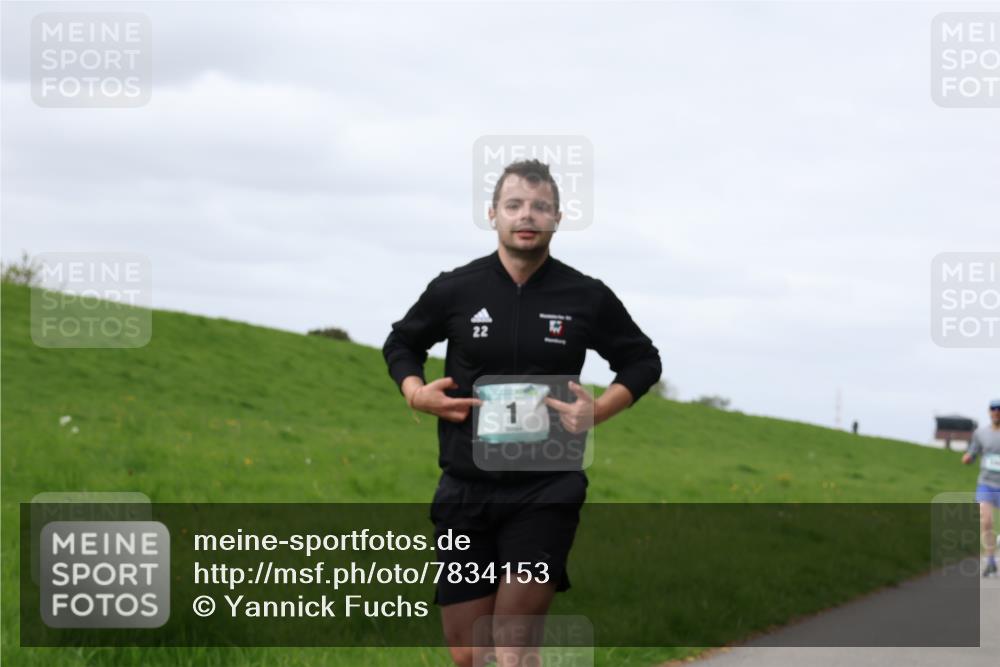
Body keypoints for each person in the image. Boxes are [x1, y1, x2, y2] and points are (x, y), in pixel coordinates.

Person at [382, 159, 662, 666]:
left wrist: (598, 410)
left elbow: (642, 359)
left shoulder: (585, 296)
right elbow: (402, 342)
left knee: (511, 650)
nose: (526, 215)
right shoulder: (456, 289)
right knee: (471, 655)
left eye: (540, 206)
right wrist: (416, 393)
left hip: (547, 488)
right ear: (493, 214)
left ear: (558, 217)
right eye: (513, 205)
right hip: (465, 489)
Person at [961, 398, 1000, 577]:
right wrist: (968, 458)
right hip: (986, 483)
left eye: (999, 409)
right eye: (993, 408)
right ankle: (990, 561)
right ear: (989, 411)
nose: (996, 411)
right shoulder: (980, 433)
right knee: (986, 521)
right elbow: (973, 452)